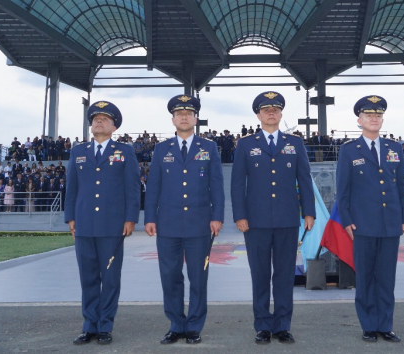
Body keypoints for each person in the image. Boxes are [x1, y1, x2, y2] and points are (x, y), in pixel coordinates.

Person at [231, 91, 315, 344]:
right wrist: (240, 215)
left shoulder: (295, 143)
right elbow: (237, 184)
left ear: (281, 114)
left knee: (285, 274)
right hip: (255, 221)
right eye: (266, 110)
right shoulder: (245, 144)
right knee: (259, 274)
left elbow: (304, 179)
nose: (271, 113)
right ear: (258, 115)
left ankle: (282, 325)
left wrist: (308, 212)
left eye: (275, 109)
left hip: (288, 219)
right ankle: (262, 325)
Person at [144, 95, 225, 345]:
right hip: (167, 224)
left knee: (198, 277)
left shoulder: (209, 147)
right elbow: (153, 186)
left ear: (195, 119)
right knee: (170, 275)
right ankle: (176, 324)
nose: (184, 117)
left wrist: (217, 217)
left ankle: (194, 326)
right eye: (179, 114)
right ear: (173, 119)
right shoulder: (161, 148)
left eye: (188, 113)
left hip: (200, 223)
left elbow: (217, 186)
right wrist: (149, 218)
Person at [336, 95, 404, 343]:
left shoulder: (395, 149)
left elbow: (402, 186)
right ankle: (368, 325)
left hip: (390, 223)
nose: (374, 119)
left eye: (378, 115)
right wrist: (346, 220)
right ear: (359, 120)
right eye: (369, 115)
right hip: (362, 225)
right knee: (365, 277)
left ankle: (385, 324)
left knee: (387, 278)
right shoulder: (348, 150)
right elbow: (343, 190)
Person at [65, 101, 141, 346]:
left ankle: (105, 325)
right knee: (87, 277)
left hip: (112, 225)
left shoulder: (125, 151)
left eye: (104, 119)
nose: (98, 121)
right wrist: (71, 217)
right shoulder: (78, 151)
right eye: (95, 118)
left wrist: (130, 218)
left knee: (109, 278)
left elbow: (132, 187)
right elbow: (72, 188)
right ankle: (89, 325)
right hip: (85, 223)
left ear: (114, 126)